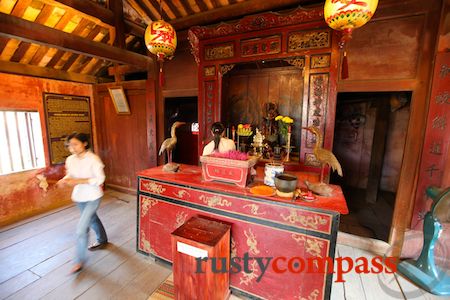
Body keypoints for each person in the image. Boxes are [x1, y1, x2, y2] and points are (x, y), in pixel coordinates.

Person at [57, 132, 108, 273]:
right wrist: (65, 179)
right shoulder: (70, 160)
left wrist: (80, 181)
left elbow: (100, 179)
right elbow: (71, 174)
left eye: (75, 144)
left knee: (81, 229)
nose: (72, 148)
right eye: (69, 145)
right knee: (92, 218)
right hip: (79, 197)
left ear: (84, 143)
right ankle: (102, 239)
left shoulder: (93, 159)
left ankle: (79, 260)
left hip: (93, 196)